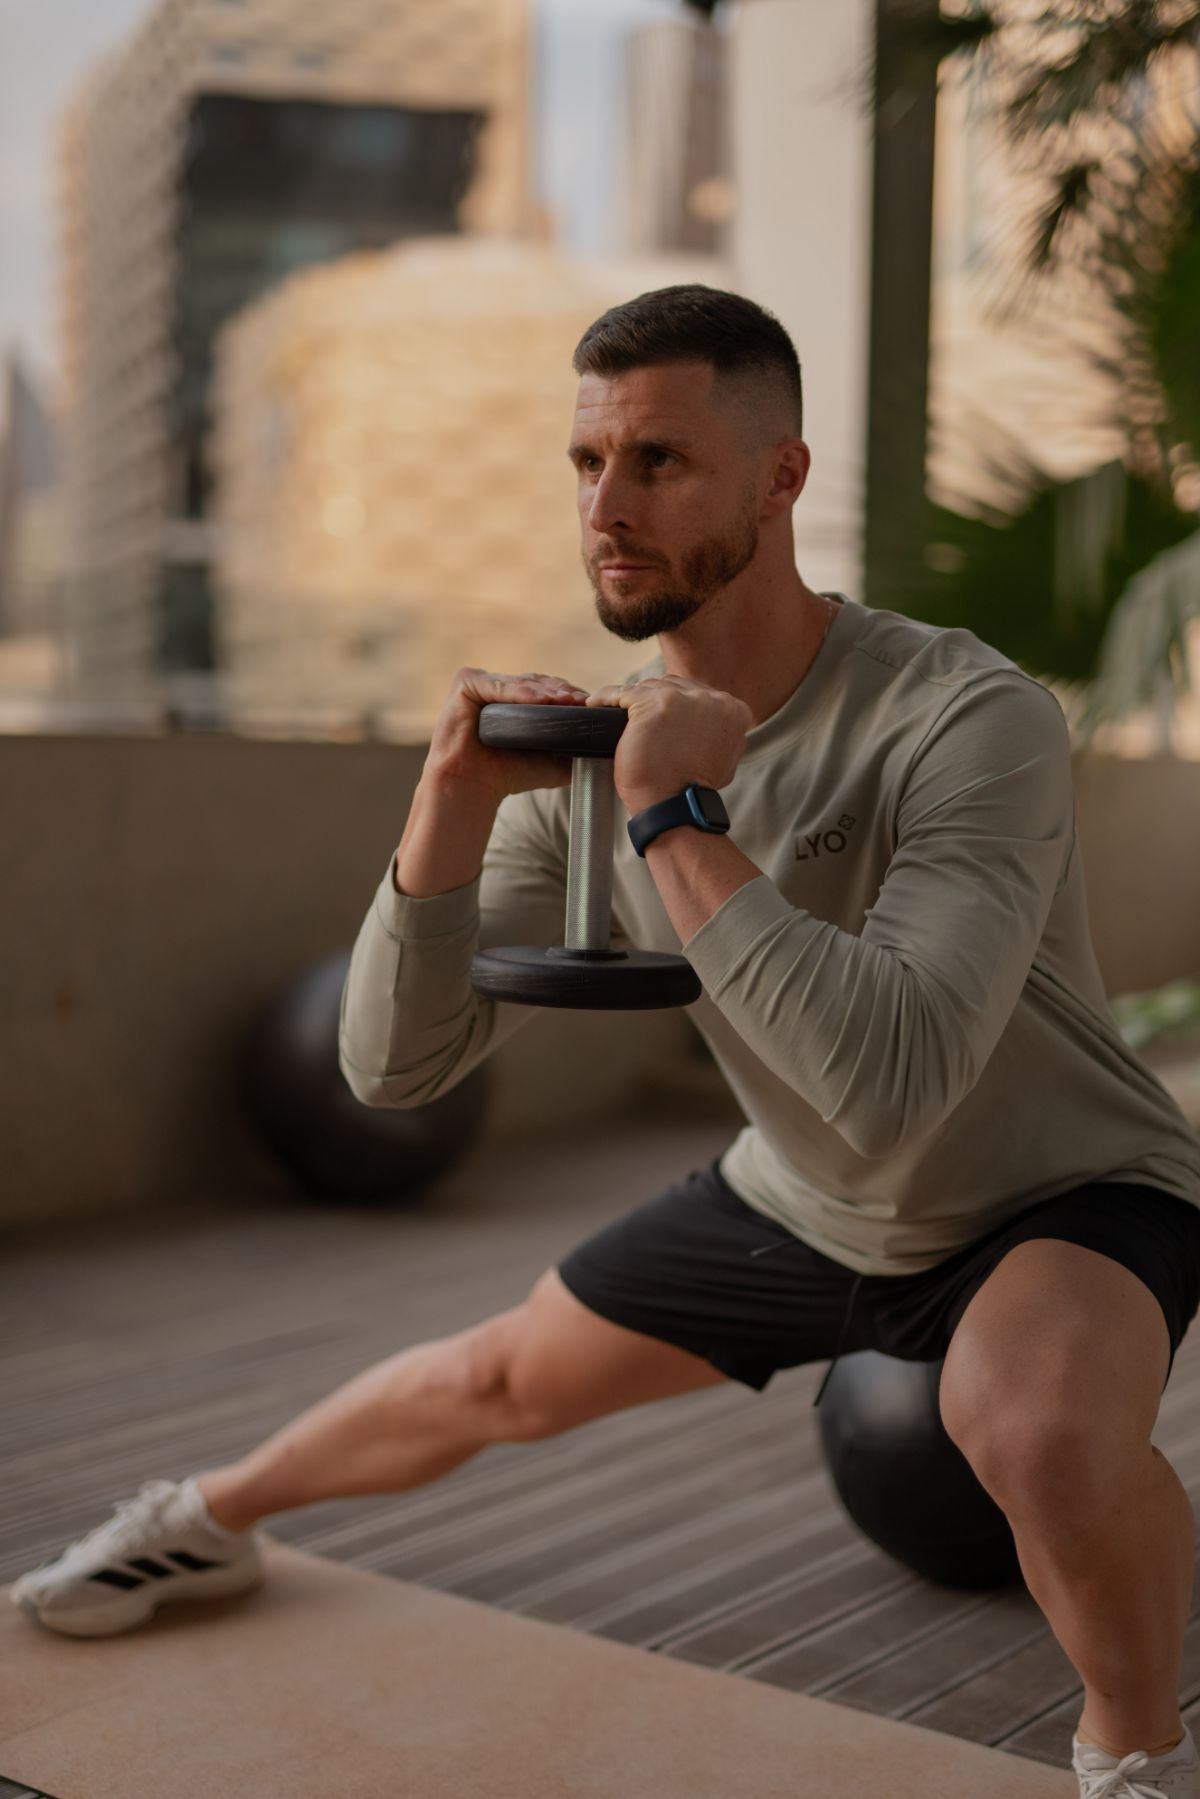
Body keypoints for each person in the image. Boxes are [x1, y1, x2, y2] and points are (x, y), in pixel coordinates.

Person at [12, 285, 1200, 1798]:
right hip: (808, 1190)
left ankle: (1136, 1750)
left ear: (782, 478)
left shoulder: (963, 717)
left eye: (660, 464)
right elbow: (390, 1074)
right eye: (589, 465)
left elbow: (901, 1082)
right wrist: (443, 811)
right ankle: (205, 1519)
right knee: (498, 1375)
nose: (610, 510)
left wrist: (677, 815)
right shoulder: (593, 757)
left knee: (1026, 1428)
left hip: (1061, 1186)